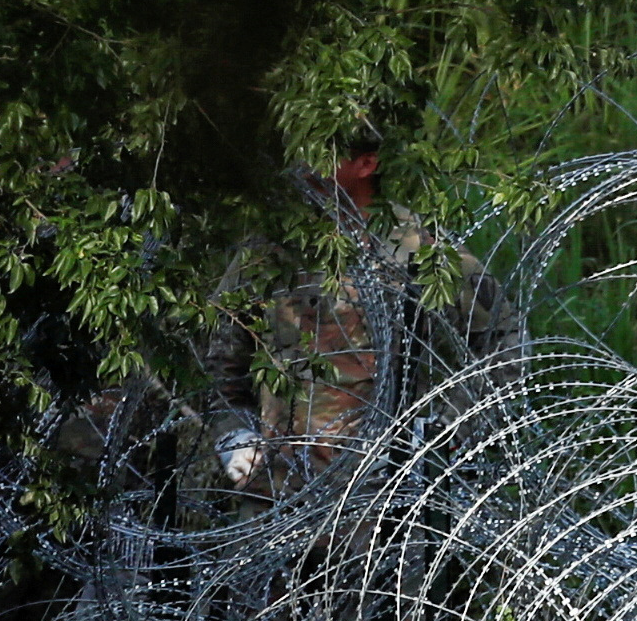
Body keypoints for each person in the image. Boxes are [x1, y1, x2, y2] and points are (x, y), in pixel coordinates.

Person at [203, 131, 518, 502]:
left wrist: (444, 434)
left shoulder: (420, 250)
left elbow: (504, 347)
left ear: (366, 164)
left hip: (381, 498)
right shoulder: (270, 250)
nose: (300, 166)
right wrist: (235, 435)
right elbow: (222, 360)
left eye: (320, 153)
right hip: (275, 493)